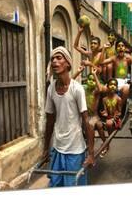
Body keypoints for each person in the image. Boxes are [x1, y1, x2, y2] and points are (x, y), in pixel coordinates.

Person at [42, 46, 95, 187]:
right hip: (57, 148)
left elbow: (86, 121)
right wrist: (46, 149)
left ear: (68, 64)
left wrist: (90, 154)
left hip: (75, 150)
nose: (54, 61)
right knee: (54, 186)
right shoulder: (51, 88)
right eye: (52, 58)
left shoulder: (76, 89)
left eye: (59, 58)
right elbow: (50, 121)